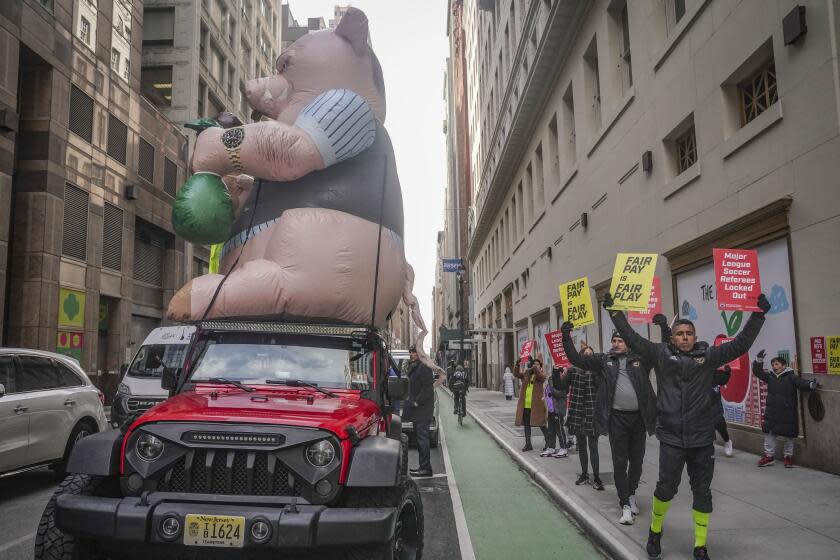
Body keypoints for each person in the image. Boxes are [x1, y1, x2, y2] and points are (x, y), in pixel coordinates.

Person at [607, 292, 770, 560]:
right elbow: (633, 338)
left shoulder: (708, 355)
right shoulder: (661, 354)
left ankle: (700, 545)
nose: (684, 337)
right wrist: (614, 312)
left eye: (689, 333)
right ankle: (655, 530)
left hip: (701, 439)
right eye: (679, 333)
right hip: (671, 438)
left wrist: (758, 315)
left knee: (702, 493)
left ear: (695, 337)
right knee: (665, 489)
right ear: (672, 338)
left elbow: (740, 344)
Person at [561, 322, 661, 525]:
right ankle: (624, 504)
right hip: (617, 419)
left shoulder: (641, 360)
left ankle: (631, 494)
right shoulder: (604, 361)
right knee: (619, 462)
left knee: (637, 460)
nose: (616, 344)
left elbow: (661, 352)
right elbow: (576, 359)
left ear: (628, 343)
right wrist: (566, 336)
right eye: (614, 341)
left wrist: (664, 328)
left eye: (620, 341)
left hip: (638, 420)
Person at [753, 351, 820, 468]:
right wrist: (759, 361)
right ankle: (769, 457)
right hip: (772, 413)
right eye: (773, 365)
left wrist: (811, 385)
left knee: (789, 436)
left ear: (784, 366)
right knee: (769, 435)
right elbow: (758, 372)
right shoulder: (770, 376)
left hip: (787, 413)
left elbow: (801, 383)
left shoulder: (791, 377)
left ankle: (788, 457)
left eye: (777, 364)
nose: (775, 367)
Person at [560, 344, 605, 491]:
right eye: (586, 354)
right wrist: (557, 373)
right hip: (578, 412)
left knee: (593, 448)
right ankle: (584, 474)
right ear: (580, 356)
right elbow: (562, 386)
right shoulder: (573, 371)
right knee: (582, 447)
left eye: (591, 354)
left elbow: (602, 387)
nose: (589, 356)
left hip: (593, 413)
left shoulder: (598, 371)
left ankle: (597, 478)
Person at [405, 345, 435, 477]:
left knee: (422, 439)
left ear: (419, 354)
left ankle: (426, 468)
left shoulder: (424, 367)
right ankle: (422, 466)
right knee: (419, 438)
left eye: (414, 352)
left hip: (422, 409)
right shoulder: (416, 366)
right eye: (410, 352)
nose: (411, 354)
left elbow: (428, 388)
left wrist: (417, 401)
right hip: (417, 410)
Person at [514, 354, 547, 452]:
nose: (535, 366)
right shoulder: (527, 374)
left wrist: (534, 367)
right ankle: (528, 444)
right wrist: (517, 364)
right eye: (534, 364)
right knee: (527, 426)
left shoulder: (541, 375)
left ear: (540, 367)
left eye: (537, 364)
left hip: (536, 407)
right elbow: (516, 374)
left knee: (542, 425)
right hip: (526, 405)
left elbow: (540, 376)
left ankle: (549, 442)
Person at [541, 365, 569, 458]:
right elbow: (548, 391)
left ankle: (563, 448)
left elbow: (558, 393)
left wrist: (551, 383)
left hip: (558, 409)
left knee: (559, 430)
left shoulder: (564, 383)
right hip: (551, 409)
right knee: (551, 430)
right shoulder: (552, 380)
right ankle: (551, 447)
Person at [712, 366, 733, 457]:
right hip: (701, 404)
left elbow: (724, 379)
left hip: (715, 404)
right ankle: (708, 447)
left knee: (719, 423)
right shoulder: (698, 373)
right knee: (705, 426)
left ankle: (727, 441)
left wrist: (727, 372)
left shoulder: (717, 374)